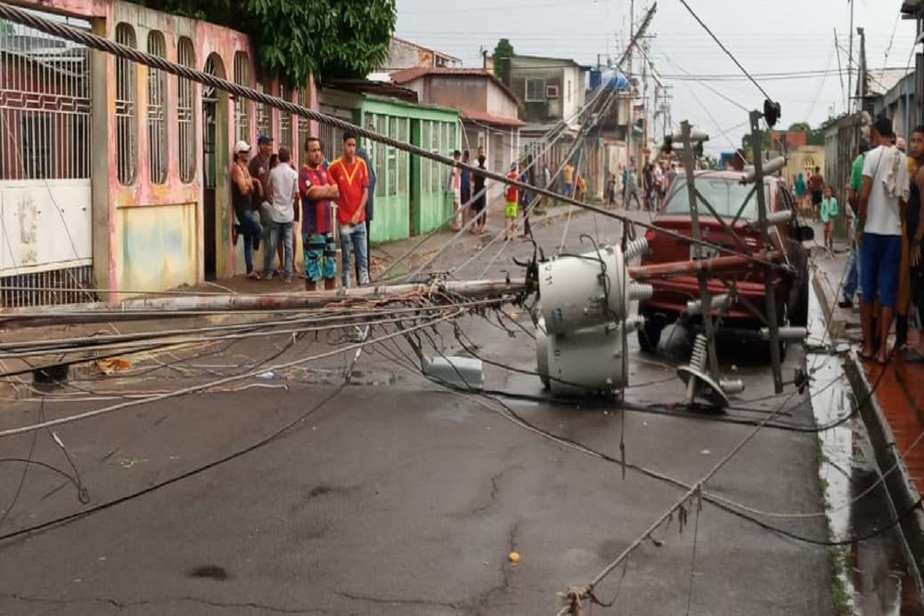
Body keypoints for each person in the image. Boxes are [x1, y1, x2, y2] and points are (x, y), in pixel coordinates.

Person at [858, 116, 910, 364]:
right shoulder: (902, 159)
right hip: (893, 234)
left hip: (871, 231)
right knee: (888, 293)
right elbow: (904, 200)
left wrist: (860, 225)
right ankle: (882, 352)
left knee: (867, 290)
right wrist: (897, 220)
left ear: (877, 133)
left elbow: (864, 195)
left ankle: (868, 346)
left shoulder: (871, 157)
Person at [328, 132, 370, 288]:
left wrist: (358, 213)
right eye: (349, 145)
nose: (351, 149)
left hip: (360, 220)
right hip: (344, 221)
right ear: (343, 145)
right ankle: (346, 292)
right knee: (346, 262)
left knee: (363, 260)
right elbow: (326, 180)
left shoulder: (361, 164)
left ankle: (365, 291)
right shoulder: (335, 166)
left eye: (354, 145)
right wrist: (335, 198)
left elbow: (365, 191)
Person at [299, 137, 339, 291]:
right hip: (312, 231)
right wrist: (328, 189)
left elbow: (337, 192)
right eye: (313, 150)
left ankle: (329, 303)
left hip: (327, 230)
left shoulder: (324, 171)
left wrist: (323, 190)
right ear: (306, 153)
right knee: (312, 275)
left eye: (318, 150)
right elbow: (312, 194)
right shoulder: (304, 174)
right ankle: (311, 303)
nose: (317, 153)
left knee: (331, 272)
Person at [898, 126, 924, 360]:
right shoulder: (913, 169)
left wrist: (917, 240)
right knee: (913, 289)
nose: (914, 145)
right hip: (912, 234)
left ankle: (921, 347)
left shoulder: (923, 173)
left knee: (920, 290)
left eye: (919, 141)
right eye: (913, 140)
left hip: (919, 239)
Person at [840, 142, 870, 309]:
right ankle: (860, 299)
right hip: (867, 222)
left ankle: (847, 293)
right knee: (860, 262)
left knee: (855, 257)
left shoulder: (858, 162)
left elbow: (851, 196)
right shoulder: (869, 161)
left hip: (858, 220)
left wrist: (857, 212)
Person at [262, 147, 297, 282]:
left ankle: (268, 272)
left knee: (272, 245)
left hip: (275, 214)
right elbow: (296, 194)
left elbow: (268, 187)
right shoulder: (293, 174)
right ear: (289, 157)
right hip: (288, 214)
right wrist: (291, 201)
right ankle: (288, 274)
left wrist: (273, 199)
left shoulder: (273, 172)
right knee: (289, 245)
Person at [230, 140, 263, 280]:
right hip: (242, 208)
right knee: (258, 228)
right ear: (238, 154)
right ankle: (238, 229)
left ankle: (250, 270)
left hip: (248, 206)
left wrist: (252, 183)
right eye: (244, 152)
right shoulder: (237, 169)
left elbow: (249, 185)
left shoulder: (244, 168)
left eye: (248, 151)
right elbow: (243, 189)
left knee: (248, 240)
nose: (247, 154)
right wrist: (250, 185)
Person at [356, 144, 376, 282]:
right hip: (366, 213)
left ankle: (362, 275)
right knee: (364, 245)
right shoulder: (370, 173)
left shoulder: (362, 173)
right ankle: (365, 274)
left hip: (360, 213)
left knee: (360, 245)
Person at [819, 184, 838, 255]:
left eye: (829, 191)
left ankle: (831, 247)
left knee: (831, 233)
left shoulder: (834, 200)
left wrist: (832, 213)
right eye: (827, 191)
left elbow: (836, 211)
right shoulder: (824, 201)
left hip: (831, 219)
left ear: (831, 192)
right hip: (825, 219)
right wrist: (824, 218)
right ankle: (826, 246)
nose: (828, 193)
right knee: (825, 232)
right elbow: (822, 211)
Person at [472, 155, 487, 234]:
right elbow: (485, 178)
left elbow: (472, 178)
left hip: (476, 189)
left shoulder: (476, 169)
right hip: (482, 189)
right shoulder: (484, 170)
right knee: (482, 208)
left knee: (474, 208)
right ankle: (481, 227)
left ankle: (474, 226)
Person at [448, 150, 462, 231]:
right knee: (455, 205)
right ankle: (454, 223)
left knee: (456, 205)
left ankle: (455, 222)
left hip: (457, 186)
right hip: (454, 187)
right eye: (458, 156)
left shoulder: (458, 165)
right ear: (456, 156)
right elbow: (451, 176)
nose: (459, 158)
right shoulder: (453, 165)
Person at [505, 163, 519, 241]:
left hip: (508, 199)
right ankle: (512, 235)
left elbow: (505, 188)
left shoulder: (508, 176)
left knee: (507, 217)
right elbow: (518, 188)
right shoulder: (517, 177)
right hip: (514, 199)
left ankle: (507, 234)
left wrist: (505, 195)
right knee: (513, 218)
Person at [460, 150, 472, 232]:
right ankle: (463, 223)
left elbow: (470, 176)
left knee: (467, 205)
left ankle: (465, 223)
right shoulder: (462, 165)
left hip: (467, 186)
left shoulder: (469, 165)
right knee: (464, 205)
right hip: (463, 186)